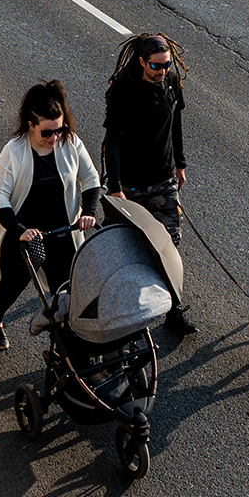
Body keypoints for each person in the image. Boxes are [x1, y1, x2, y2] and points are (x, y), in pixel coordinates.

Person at [0, 81, 101, 351]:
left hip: (61, 234)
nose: (54, 137)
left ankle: (65, 347)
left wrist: (89, 212)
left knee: (67, 295)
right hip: (26, 237)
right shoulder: (13, 152)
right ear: (31, 125)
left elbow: (90, 179)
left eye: (59, 129)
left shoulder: (70, 143)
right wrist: (19, 229)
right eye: (47, 132)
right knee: (10, 286)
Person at [102, 34, 195, 337]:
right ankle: (116, 308)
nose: (162, 70)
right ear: (142, 62)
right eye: (156, 65)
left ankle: (172, 309)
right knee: (122, 247)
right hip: (129, 186)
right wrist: (115, 185)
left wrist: (179, 163)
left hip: (163, 180)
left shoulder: (170, 82)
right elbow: (113, 139)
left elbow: (176, 122)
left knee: (169, 247)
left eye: (166, 64)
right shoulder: (123, 92)